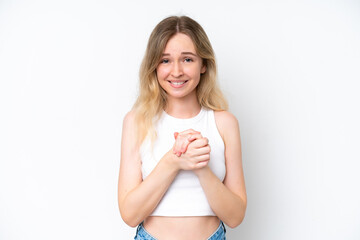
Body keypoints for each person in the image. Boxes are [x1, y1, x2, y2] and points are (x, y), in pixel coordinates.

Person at [118, 15, 247, 240]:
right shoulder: (137, 122)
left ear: (204, 64)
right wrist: (173, 161)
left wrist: (200, 167)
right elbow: (129, 214)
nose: (176, 71)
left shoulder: (224, 123)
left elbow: (235, 217)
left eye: (187, 59)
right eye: (165, 60)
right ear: (154, 67)